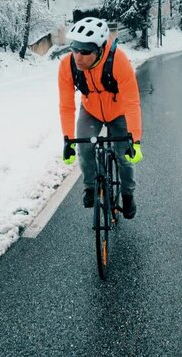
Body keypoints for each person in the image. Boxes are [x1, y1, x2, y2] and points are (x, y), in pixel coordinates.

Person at [58, 17, 143, 219]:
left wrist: (136, 140)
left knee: (124, 156)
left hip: (119, 111)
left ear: (99, 49)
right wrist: (67, 140)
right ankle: (90, 187)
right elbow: (66, 105)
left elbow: (132, 102)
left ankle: (128, 194)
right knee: (85, 147)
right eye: (75, 48)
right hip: (91, 110)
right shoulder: (67, 65)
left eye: (85, 51)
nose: (78, 56)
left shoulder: (118, 61)